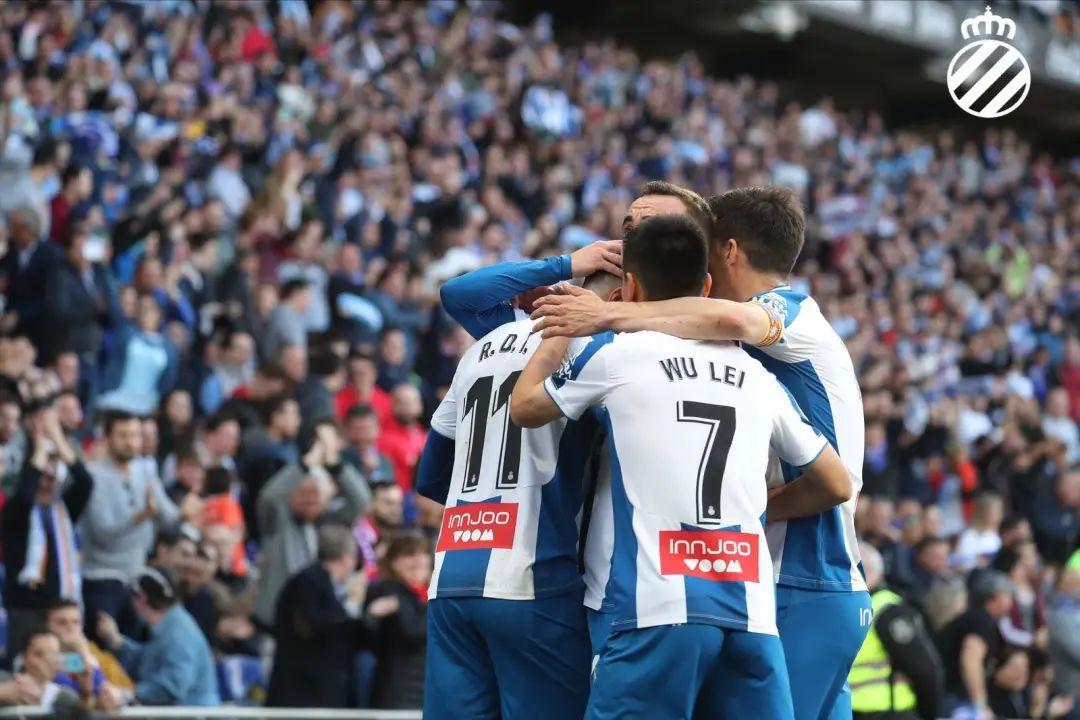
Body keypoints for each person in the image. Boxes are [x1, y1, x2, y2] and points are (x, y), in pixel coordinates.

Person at [531, 185, 871, 720]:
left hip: (805, 572)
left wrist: (609, 315)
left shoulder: (788, 312)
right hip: (785, 581)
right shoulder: (739, 360)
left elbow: (733, 321)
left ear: (729, 251)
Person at [414, 257, 625, 720]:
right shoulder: (602, 350)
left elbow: (430, 475)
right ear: (615, 300)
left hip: (452, 576)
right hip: (534, 576)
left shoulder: (480, 349)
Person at [81, 411, 186, 640]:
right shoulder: (92, 476)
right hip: (103, 577)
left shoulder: (145, 469)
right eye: (123, 435)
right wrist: (141, 516)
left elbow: (166, 514)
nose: (130, 442)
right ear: (107, 438)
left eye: (135, 435)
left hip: (137, 575)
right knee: (103, 646)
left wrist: (185, 514)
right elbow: (103, 534)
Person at [265, 524, 397, 708]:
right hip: (304, 696)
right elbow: (318, 629)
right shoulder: (308, 583)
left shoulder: (320, 585)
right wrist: (361, 611)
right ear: (347, 558)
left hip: (318, 696)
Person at [253, 420, 371, 626]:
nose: (309, 500)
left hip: (313, 623)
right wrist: (309, 461)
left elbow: (361, 501)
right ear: (290, 494)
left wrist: (334, 462)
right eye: (303, 493)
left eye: (315, 495)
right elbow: (270, 496)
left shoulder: (328, 523)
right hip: (276, 622)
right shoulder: (277, 521)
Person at [2, 407, 93, 657]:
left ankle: (78, 675)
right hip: (26, 612)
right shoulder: (15, 511)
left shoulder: (63, 511)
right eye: (43, 470)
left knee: (71, 666)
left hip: (62, 611)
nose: (49, 475)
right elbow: (24, 495)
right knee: (34, 670)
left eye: (54, 467)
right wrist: (40, 448)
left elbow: (85, 482)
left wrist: (58, 440)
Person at [96, 566, 219, 706]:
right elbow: (150, 661)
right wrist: (117, 642)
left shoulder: (178, 632)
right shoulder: (170, 625)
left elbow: (173, 685)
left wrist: (129, 694)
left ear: (142, 598)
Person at [849, 542, 942, 720]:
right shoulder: (886, 609)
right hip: (882, 711)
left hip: (881, 711)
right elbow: (925, 670)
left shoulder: (886, 610)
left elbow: (923, 670)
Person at [366, 531, 432, 710]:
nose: (419, 561)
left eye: (423, 554)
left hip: (428, 691)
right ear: (394, 562)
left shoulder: (431, 595)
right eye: (410, 554)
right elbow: (413, 631)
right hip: (398, 693)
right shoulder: (386, 591)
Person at [937, 570, 1015, 719]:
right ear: (994, 597)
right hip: (953, 698)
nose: (1011, 602)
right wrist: (980, 705)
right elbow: (970, 660)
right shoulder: (981, 621)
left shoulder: (981, 619)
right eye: (1007, 596)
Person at [45, 599, 127, 710]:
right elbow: (66, 689)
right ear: (48, 626)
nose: (70, 628)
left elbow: (103, 688)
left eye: (76, 622)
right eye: (62, 623)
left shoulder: (96, 656)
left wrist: (118, 696)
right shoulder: (38, 655)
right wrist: (82, 651)